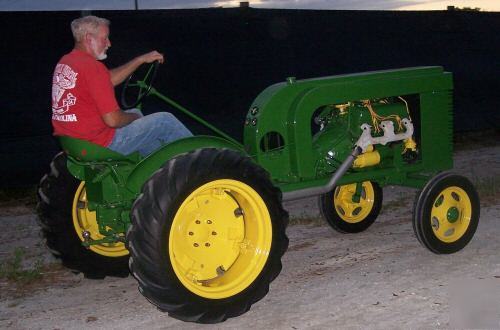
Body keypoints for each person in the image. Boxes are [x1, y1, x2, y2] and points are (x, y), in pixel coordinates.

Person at [51, 15, 192, 156]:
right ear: (89, 39)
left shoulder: (67, 62)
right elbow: (113, 120)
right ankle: (201, 161)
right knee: (164, 121)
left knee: (138, 115)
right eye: (105, 38)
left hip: (75, 143)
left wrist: (140, 60)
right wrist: (134, 118)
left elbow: (107, 80)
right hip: (101, 144)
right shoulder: (92, 68)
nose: (109, 43)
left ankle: (157, 165)